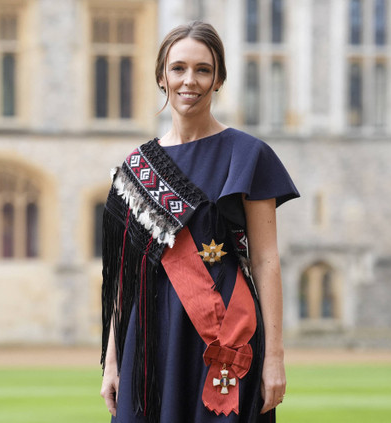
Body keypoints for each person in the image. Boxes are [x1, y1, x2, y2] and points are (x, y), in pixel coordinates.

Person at [100, 21, 299, 423]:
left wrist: (274, 357)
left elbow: (265, 260)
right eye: (178, 68)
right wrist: (112, 360)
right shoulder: (136, 167)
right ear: (161, 76)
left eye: (203, 69)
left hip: (226, 335)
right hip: (150, 339)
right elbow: (126, 276)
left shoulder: (248, 155)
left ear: (219, 78)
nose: (189, 80)